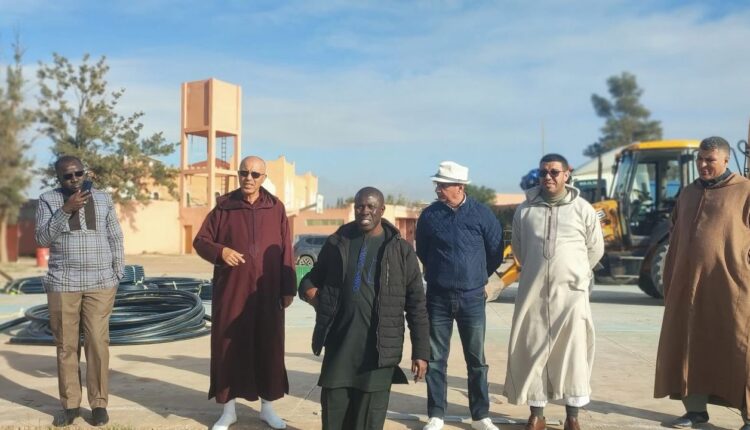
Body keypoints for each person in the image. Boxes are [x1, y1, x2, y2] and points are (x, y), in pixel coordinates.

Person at [299, 186, 430, 430]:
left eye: (371, 206)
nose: (365, 211)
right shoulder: (338, 242)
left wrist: (421, 352)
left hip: (378, 355)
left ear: (382, 210)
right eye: (360, 206)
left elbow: (417, 306)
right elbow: (309, 280)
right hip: (340, 348)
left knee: (368, 422)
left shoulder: (400, 250)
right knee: (334, 420)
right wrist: (314, 297)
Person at [193, 156, 296, 430]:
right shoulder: (224, 207)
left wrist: (288, 288)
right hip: (232, 291)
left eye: (255, 174)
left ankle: (267, 409)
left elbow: (286, 250)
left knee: (268, 346)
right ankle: (228, 411)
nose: (248, 178)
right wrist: (221, 251)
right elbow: (200, 241)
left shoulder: (275, 208)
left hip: (268, 292)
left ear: (263, 178)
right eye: (244, 173)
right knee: (228, 348)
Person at [655, 136, 750, 430]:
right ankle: (695, 411)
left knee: (739, 347)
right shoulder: (688, 193)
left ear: (726, 160)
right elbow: (675, 234)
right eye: (700, 159)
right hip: (687, 288)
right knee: (688, 344)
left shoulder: (745, 190)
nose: (703, 165)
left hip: (731, 287)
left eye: (710, 160)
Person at [503, 153, 604, 430]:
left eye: (554, 172)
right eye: (543, 172)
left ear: (566, 174)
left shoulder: (583, 209)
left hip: (571, 296)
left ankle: (573, 416)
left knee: (573, 354)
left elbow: (595, 249)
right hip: (534, 295)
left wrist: (573, 272)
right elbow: (520, 250)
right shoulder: (525, 210)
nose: (548, 177)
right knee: (533, 350)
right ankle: (537, 414)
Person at [35, 155, 124, 427]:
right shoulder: (48, 200)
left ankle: (99, 404)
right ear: (58, 178)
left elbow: (115, 237)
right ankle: (71, 405)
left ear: (84, 173)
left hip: (101, 282)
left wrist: (117, 274)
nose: (74, 179)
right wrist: (66, 209)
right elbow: (42, 238)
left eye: (78, 174)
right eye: (67, 176)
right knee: (66, 345)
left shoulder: (103, 198)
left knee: (97, 342)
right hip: (64, 283)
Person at [416, 161, 504, 430]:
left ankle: (480, 415)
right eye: (437, 185)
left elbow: (495, 252)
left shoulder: (482, 214)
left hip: (472, 298)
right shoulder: (429, 216)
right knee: (436, 358)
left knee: (476, 360)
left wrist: (475, 276)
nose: (438, 189)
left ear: (460, 187)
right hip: (438, 298)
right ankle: (436, 415)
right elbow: (423, 251)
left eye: (442, 185)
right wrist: (441, 273)